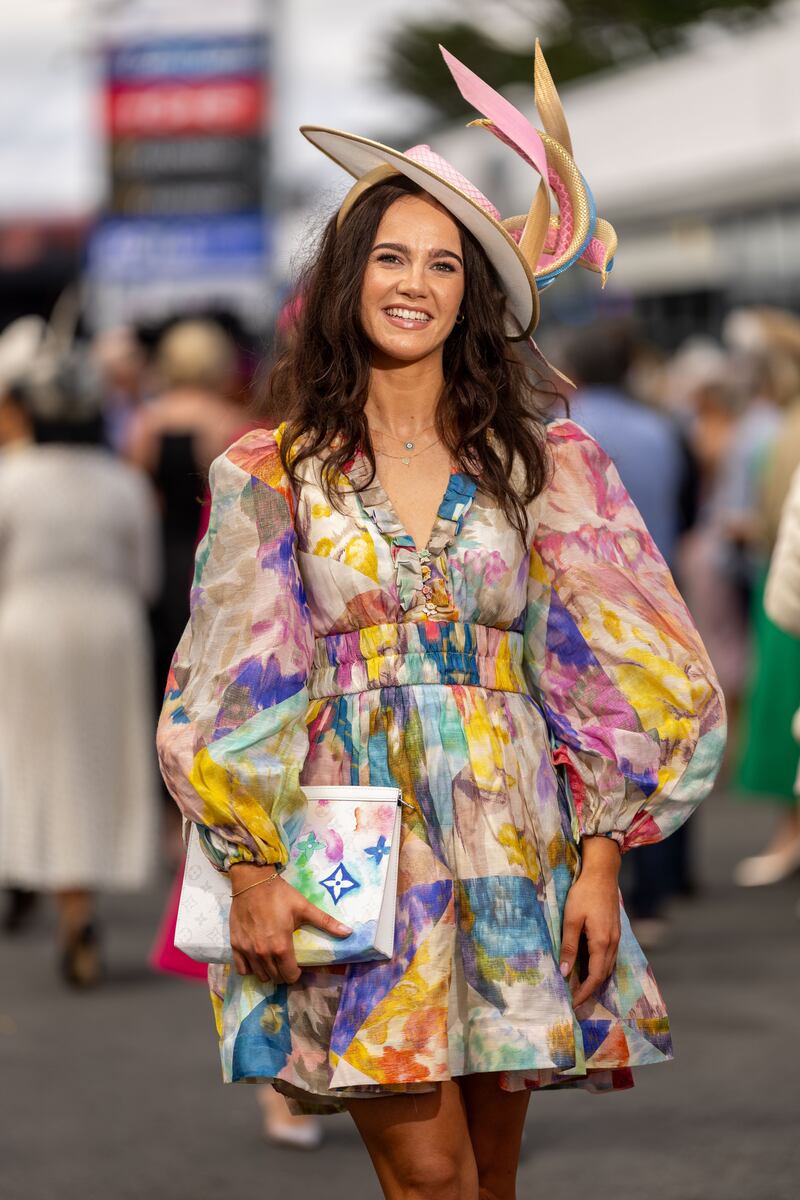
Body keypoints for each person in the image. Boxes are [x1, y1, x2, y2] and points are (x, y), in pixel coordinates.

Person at [157, 43, 725, 1200]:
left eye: (441, 265)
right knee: (430, 1180)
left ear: (474, 294)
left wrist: (602, 858)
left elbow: (627, 665)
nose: (412, 283)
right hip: (348, 850)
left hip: (515, 836)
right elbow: (230, 678)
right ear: (348, 273)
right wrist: (255, 864)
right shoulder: (274, 468)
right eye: (387, 256)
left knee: (489, 1186)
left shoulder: (543, 464)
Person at [0, 339, 160, 986]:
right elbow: (145, 577)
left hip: (28, 628)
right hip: (109, 629)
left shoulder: (9, 477)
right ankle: (82, 900)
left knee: (38, 759)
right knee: (98, 763)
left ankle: (63, 892)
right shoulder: (123, 482)